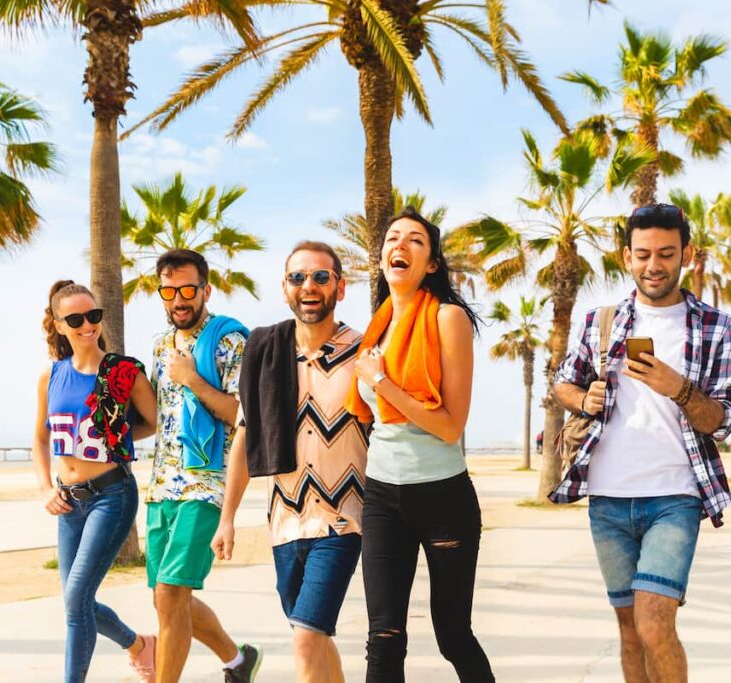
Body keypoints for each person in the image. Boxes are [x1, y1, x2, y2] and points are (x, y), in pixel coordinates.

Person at [551, 203, 731, 683]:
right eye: (642, 255)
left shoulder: (716, 327)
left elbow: (723, 420)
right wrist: (586, 398)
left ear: (687, 255)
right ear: (626, 257)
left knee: (655, 622)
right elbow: (562, 384)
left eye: (665, 253)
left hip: (675, 497)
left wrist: (675, 386)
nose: (653, 265)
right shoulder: (601, 320)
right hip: (607, 498)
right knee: (630, 630)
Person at [346, 207, 494, 682]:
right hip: (384, 496)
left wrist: (383, 383)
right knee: (383, 639)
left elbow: (450, 425)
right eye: (393, 238)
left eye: (415, 240)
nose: (400, 246)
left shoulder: (448, 318)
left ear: (431, 263)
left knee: (452, 634)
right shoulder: (378, 325)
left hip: (442, 495)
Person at [212, 241, 368, 682]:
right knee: (315, 638)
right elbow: (245, 438)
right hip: (283, 524)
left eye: (321, 276)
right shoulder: (266, 353)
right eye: (298, 277)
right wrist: (227, 519)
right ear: (285, 289)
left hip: (343, 520)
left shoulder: (364, 352)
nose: (309, 286)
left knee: (305, 638)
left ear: (340, 287)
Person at [144, 249, 261, 683]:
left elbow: (244, 416)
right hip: (161, 487)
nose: (179, 299)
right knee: (165, 598)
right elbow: (157, 416)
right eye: (169, 290)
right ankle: (237, 660)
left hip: (206, 485)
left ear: (206, 289)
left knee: (172, 593)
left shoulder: (231, 341)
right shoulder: (159, 345)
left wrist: (193, 379)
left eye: (188, 289)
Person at [33, 279, 159, 683]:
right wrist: (45, 489)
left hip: (111, 495)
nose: (87, 324)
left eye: (93, 315)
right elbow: (40, 438)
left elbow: (153, 422)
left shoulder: (124, 372)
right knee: (75, 602)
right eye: (75, 318)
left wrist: (113, 438)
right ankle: (139, 645)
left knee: (75, 599)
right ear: (58, 324)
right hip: (67, 501)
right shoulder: (51, 375)